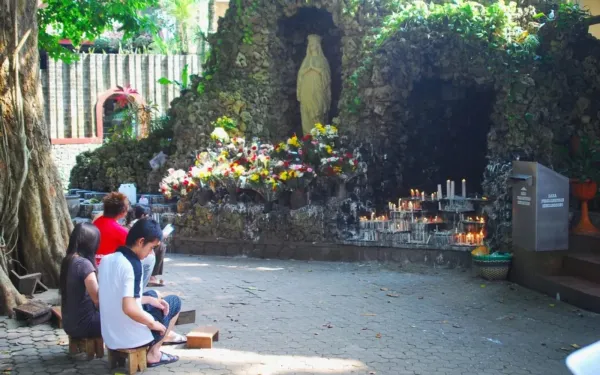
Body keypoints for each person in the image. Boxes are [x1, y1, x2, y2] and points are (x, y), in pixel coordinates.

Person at [98, 219, 181, 368]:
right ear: (141, 241)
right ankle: (154, 354)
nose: (151, 253)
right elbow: (129, 308)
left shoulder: (107, 260)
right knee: (174, 301)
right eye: (151, 248)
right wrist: (154, 324)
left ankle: (151, 305)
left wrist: (149, 299)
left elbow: (115, 295)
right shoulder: (133, 265)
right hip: (130, 338)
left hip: (110, 336)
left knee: (154, 296)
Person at [59, 223, 101, 339]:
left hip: (69, 324)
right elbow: (97, 299)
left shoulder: (67, 260)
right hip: (85, 325)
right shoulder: (84, 265)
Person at [94, 192, 129, 266]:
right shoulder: (121, 231)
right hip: (111, 268)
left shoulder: (95, 223)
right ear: (123, 212)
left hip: (93, 265)